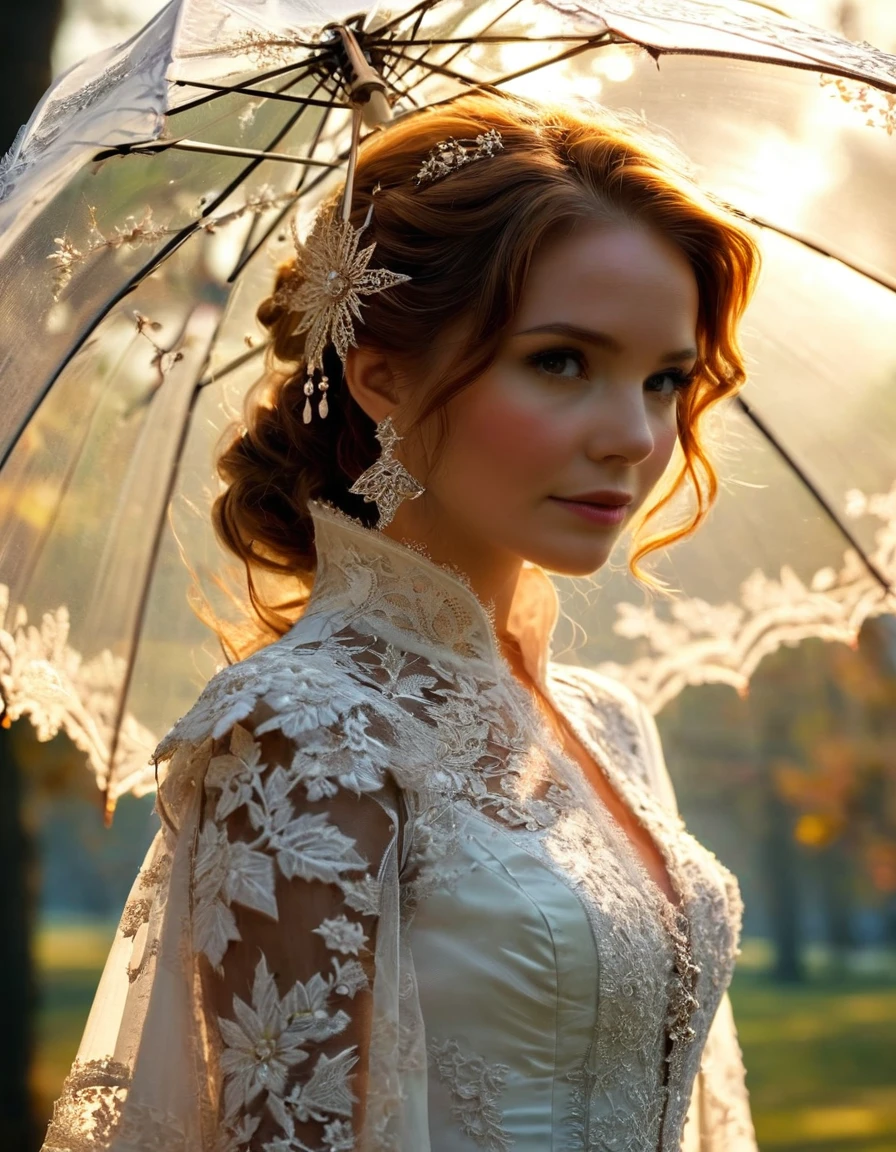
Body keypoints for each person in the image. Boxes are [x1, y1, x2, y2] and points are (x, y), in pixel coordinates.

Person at [42, 90, 760, 1152]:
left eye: (662, 380)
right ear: (381, 377)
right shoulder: (302, 732)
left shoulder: (609, 723)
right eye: (560, 360)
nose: (632, 436)